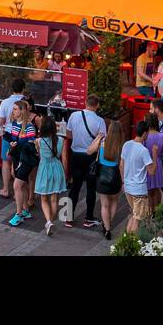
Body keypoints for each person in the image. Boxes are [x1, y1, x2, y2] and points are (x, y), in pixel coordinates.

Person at [63, 94, 106, 229]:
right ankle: (88, 218)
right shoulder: (100, 121)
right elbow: (103, 141)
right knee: (91, 188)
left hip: (76, 155)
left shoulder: (74, 116)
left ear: (85, 103)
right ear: (97, 105)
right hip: (92, 157)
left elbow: (68, 135)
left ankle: (68, 218)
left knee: (75, 187)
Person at [3, 99, 39, 228]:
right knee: (21, 185)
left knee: (17, 186)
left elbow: (31, 145)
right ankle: (25, 211)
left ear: (22, 111)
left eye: (15, 109)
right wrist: (6, 136)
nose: (13, 111)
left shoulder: (29, 127)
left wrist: (16, 145)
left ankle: (18, 215)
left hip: (26, 160)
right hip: (17, 159)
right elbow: (13, 139)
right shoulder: (14, 124)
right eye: (13, 109)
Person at [87, 122, 124, 240]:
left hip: (102, 176)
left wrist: (97, 138)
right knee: (114, 202)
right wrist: (123, 181)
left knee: (104, 204)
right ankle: (107, 224)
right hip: (115, 176)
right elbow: (122, 165)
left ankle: (107, 229)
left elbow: (89, 151)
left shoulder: (102, 141)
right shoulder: (122, 145)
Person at [120, 121, 155, 236]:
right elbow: (152, 171)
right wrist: (154, 155)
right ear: (144, 133)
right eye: (147, 133)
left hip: (128, 187)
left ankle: (126, 240)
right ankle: (130, 242)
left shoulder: (127, 144)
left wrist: (123, 182)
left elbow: (121, 165)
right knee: (137, 218)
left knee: (134, 214)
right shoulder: (143, 150)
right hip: (139, 190)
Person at [34, 116, 66, 236]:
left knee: (44, 199)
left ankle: (48, 221)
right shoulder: (61, 140)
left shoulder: (39, 141)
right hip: (57, 168)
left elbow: (39, 155)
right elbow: (59, 155)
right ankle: (50, 222)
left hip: (44, 169)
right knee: (54, 199)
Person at [0, 78, 26, 199]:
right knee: (20, 163)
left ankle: (6, 189)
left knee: (6, 161)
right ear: (23, 89)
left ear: (12, 89)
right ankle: (19, 191)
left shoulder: (5, 102)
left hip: (8, 135)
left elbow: (0, 121)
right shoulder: (25, 102)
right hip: (22, 135)